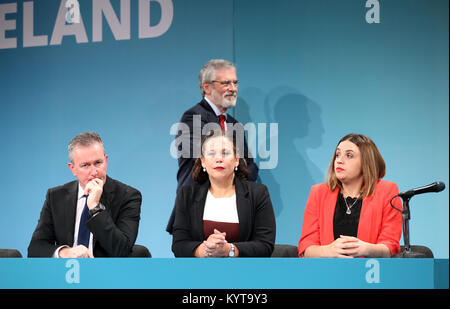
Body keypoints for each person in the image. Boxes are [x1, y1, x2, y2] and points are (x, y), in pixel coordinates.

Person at [167, 59, 258, 234]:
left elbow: (252, 168)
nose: (233, 88)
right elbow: (202, 166)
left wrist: (238, 166)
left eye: (235, 82)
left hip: (233, 211)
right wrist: (236, 164)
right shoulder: (192, 117)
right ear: (207, 87)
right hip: (197, 210)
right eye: (226, 83)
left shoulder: (234, 124)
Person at [28, 132, 142, 258]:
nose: (94, 171)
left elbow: (122, 250)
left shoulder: (128, 196)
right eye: (85, 165)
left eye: (98, 162)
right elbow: (35, 248)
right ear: (73, 169)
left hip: (107, 273)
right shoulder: (55, 196)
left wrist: (95, 207)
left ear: (106, 160)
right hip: (66, 273)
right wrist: (65, 252)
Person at [172, 130, 275, 257]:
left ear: (237, 160)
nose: (219, 159)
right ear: (203, 161)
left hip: (245, 273)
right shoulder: (187, 195)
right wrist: (203, 250)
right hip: (199, 272)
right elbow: (179, 245)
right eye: (211, 153)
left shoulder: (258, 193)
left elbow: (265, 245)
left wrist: (230, 250)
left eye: (225, 153)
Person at [298, 133, 403, 258]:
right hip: (327, 272)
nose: (339, 160)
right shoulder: (318, 193)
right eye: (337, 155)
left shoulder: (387, 191)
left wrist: (366, 249)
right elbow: (306, 248)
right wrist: (329, 251)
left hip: (370, 273)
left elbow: (390, 246)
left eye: (349, 155)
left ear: (366, 162)